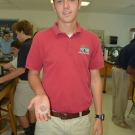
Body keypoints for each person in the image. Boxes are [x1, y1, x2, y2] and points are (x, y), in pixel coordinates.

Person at [26, 0, 104, 135]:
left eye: (72, 0)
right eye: (60, 1)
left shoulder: (92, 39)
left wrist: (99, 116)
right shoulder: (40, 38)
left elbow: (96, 80)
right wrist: (40, 93)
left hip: (81, 120)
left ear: (79, 4)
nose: (66, 5)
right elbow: (32, 74)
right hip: (48, 119)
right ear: (54, 6)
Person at [0, 20, 36, 135]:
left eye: (16, 33)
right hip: (33, 83)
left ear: (22, 31)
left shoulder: (25, 46)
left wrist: (1, 79)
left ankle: (28, 133)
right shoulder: (33, 43)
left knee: (19, 113)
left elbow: (21, 69)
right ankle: (32, 132)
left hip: (25, 84)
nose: (16, 36)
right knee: (31, 109)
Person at [112, 42, 135, 129]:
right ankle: (119, 121)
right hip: (122, 72)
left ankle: (115, 117)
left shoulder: (131, 45)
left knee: (116, 96)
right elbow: (130, 70)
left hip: (116, 69)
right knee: (122, 98)